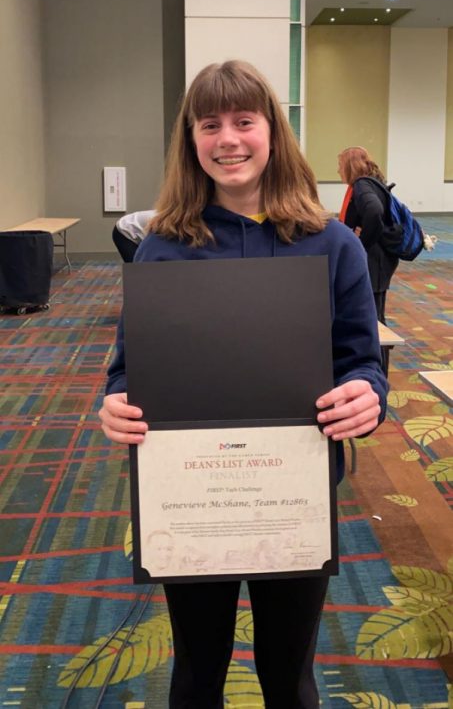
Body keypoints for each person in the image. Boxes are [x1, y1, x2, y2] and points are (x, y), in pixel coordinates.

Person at [100, 60, 388, 709]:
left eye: (243, 121)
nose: (227, 138)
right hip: (191, 493)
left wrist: (367, 396)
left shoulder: (330, 243)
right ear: (191, 140)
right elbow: (127, 368)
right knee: (197, 672)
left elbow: (362, 362)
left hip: (293, 491)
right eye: (210, 124)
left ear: (271, 132)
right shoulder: (162, 248)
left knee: (288, 676)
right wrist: (114, 401)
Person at [337, 145, 398, 377]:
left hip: (374, 262)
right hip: (379, 260)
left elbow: (373, 212)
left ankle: (378, 373)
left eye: (340, 166)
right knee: (375, 316)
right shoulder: (372, 182)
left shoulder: (362, 186)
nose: (338, 170)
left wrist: (360, 246)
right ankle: (378, 370)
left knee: (374, 320)